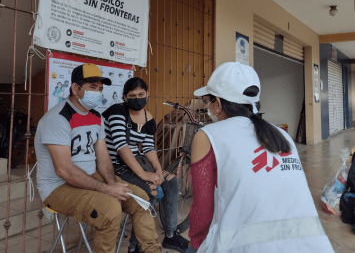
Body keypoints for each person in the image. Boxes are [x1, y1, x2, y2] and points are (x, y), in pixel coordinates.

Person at [187, 62, 334, 253]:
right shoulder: (280, 134)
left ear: (218, 104)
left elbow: (202, 211)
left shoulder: (208, 135)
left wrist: (197, 245)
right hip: (313, 245)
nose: (208, 106)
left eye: (208, 100)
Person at [35, 64, 162, 253]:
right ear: (75, 89)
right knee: (111, 210)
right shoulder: (58, 118)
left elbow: (103, 158)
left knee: (141, 200)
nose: (98, 92)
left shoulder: (96, 117)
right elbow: (64, 170)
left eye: (100, 89)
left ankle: (152, 250)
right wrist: (106, 189)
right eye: (92, 87)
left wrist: (112, 184)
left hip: (90, 177)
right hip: (58, 187)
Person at [102, 77, 189, 253]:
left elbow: (148, 147)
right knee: (148, 189)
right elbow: (121, 147)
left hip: (137, 162)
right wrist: (144, 175)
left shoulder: (148, 117)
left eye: (141, 94)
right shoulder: (117, 112)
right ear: (125, 97)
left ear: (147, 94)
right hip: (116, 166)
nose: (137, 98)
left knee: (170, 181)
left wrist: (157, 169)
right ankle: (136, 245)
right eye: (132, 95)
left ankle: (171, 236)